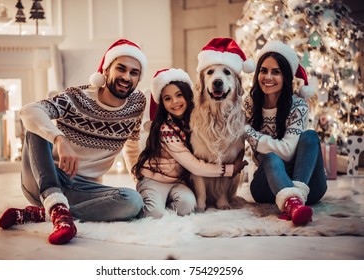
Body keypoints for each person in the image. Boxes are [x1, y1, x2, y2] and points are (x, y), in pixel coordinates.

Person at [0, 38, 148, 244]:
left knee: (132, 201)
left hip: (84, 190)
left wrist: (141, 183)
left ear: (139, 78)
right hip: (44, 180)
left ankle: (49, 213)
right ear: (106, 71)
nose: (126, 77)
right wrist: (59, 138)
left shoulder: (137, 105)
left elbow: (132, 146)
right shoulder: (76, 97)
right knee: (36, 130)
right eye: (120, 69)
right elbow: (28, 110)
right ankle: (54, 203)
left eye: (134, 72)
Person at [132, 68, 248, 218]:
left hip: (178, 182)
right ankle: (151, 202)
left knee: (187, 206)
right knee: (154, 212)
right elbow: (194, 165)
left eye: (179, 95)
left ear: (188, 96)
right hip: (154, 179)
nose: (175, 102)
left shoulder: (194, 121)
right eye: (167, 99)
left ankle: (164, 203)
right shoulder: (165, 130)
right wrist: (230, 169)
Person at [243, 40, 328, 226]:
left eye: (276, 72)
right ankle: (293, 204)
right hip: (267, 185)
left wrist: (248, 131)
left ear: (286, 76)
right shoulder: (249, 104)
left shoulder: (298, 105)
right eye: (263, 70)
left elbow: (288, 151)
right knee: (271, 158)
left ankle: (294, 201)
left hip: (307, 185)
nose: (268, 76)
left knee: (310, 136)